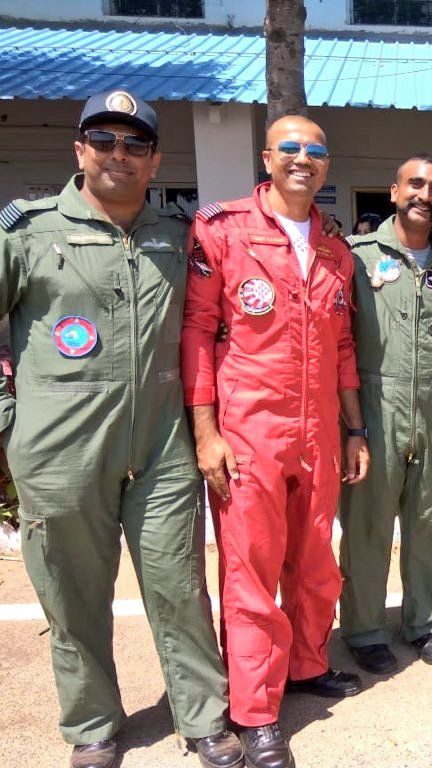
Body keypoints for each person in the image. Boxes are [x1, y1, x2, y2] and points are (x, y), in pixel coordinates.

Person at [0, 89, 241, 768]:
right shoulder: (26, 231)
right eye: (103, 140)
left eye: (135, 144)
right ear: (79, 149)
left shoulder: (178, 234)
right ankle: (93, 724)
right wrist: (8, 420)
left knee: (177, 584)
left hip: (161, 443)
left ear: (155, 158)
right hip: (59, 449)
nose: (119, 155)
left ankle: (202, 716)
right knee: (73, 595)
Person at [182, 115, 368, 768]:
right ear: (266, 157)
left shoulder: (334, 249)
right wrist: (206, 432)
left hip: (318, 430)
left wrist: (354, 429)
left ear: (325, 165)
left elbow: (343, 347)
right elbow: (199, 331)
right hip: (252, 430)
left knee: (316, 559)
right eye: (289, 148)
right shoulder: (224, 231)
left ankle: (307, 666)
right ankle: (255, 711)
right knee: (252, 571)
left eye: (315, 151)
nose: (302, 159)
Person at [339, 154, 432, 672]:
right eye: (415, 184)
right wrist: (352, 424)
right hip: (374, 399)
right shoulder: (356, 255)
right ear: (393, 192)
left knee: (429, 520)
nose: (424, 194)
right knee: (368, 523)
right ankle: (365, 629)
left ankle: (423, 623)